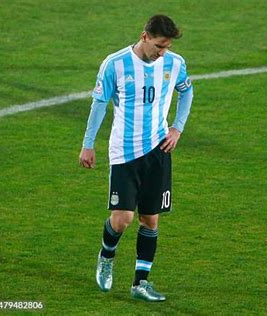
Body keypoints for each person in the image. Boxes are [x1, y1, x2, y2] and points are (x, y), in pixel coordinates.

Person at [79, 14, 193, 302]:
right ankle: (106, 256)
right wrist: (88, 145)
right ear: (145, 37)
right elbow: (99, 104)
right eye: (158, 46)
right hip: (124, 152)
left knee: (150, 220)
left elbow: (187, 90)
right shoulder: (115, 64)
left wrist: (177, 128)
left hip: (159, 150)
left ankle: (140, 283)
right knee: (123, 218)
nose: (162, 53)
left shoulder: (174, 63)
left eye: (166, 47)